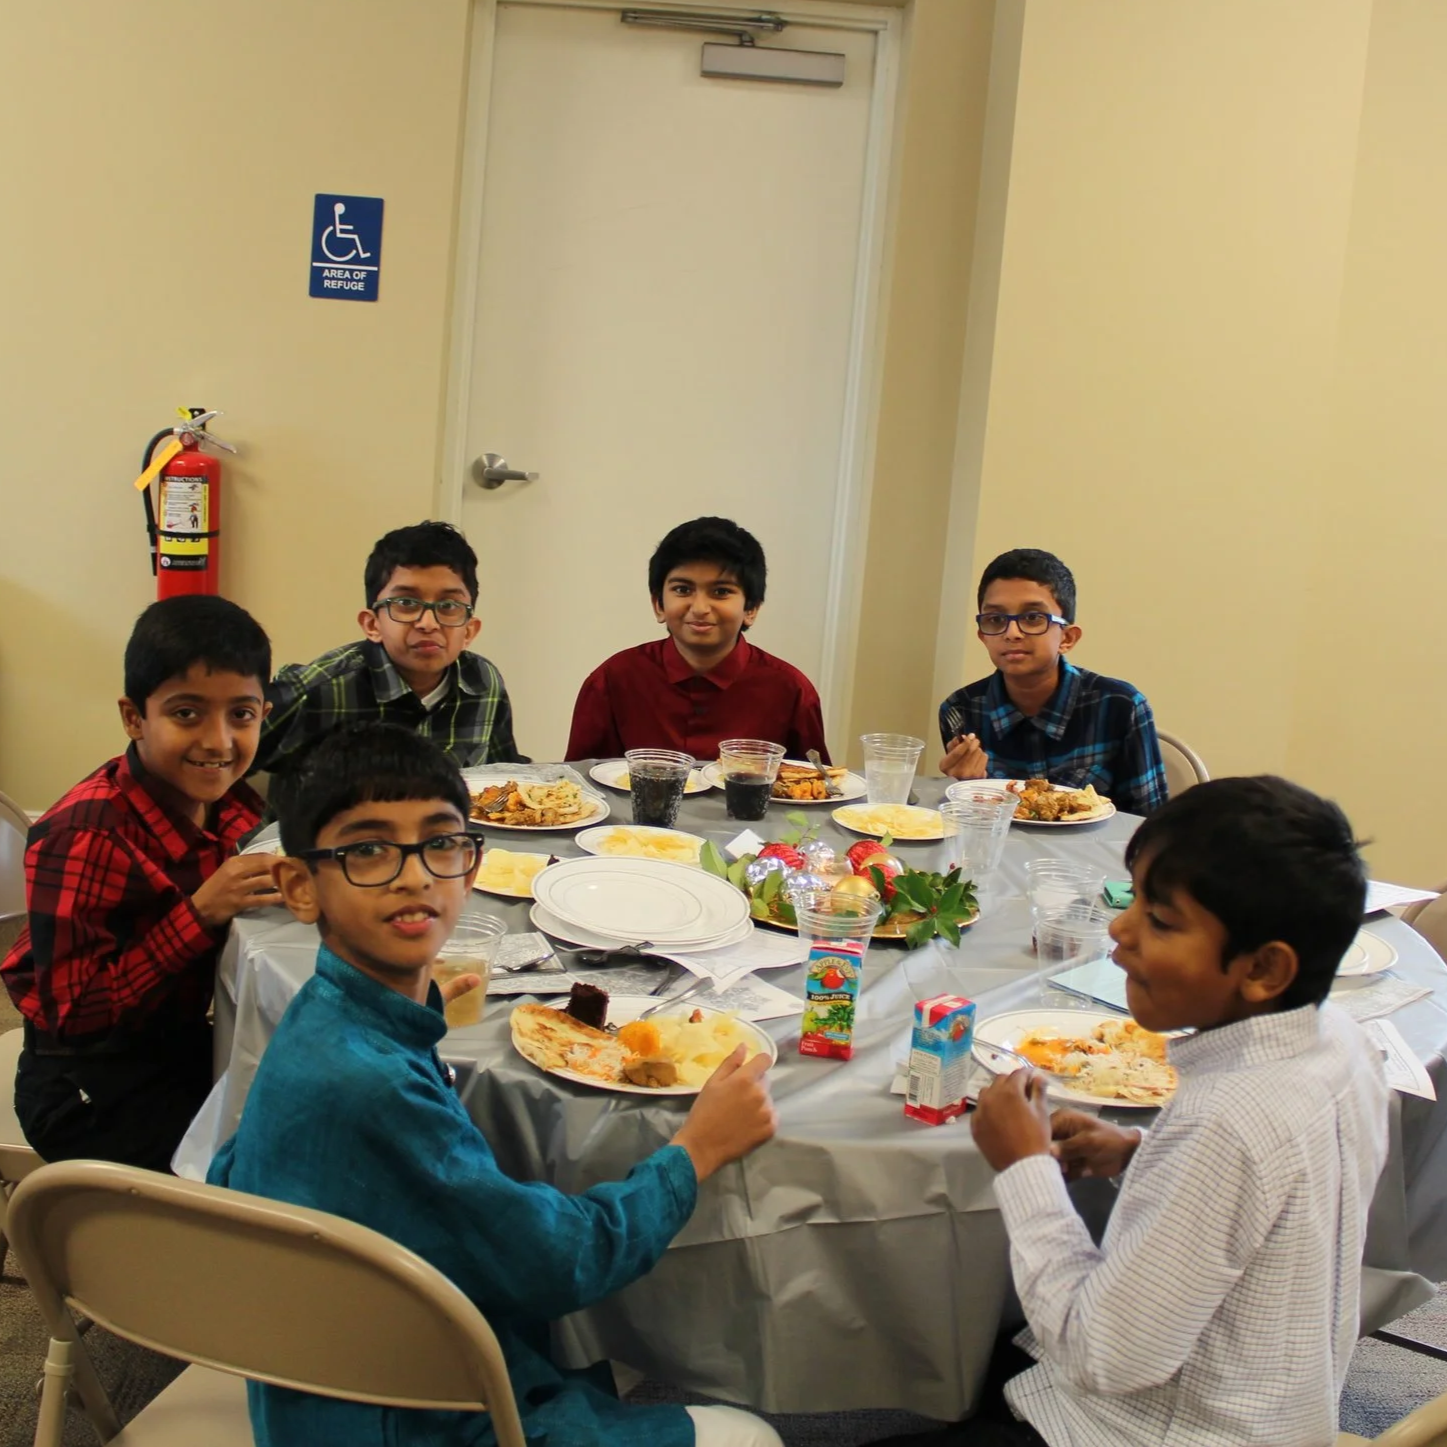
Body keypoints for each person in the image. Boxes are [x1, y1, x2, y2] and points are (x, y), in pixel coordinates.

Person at [210, 722, 784, 1447]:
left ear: (471, 863)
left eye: (440, 842)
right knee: (748, 1433)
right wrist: (695, 1150)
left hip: (324, 1369)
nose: (414, 874)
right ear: (299, 885)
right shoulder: (370, 1080)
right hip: (400, 1411)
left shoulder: (319, 1016)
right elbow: (556, 1261)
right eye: (367, 849)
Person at [879, 776, 1388, 1447]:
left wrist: (1023, 1165)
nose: (1118, 928)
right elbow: (1279, 1196)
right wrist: (1137, 1152)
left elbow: (1102, 1355)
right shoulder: (1343, 1041)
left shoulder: (1226, 1118)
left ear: (1264, 968)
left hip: (1150, 1428)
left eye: (1159, 920)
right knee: (987, 1347)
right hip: (1276, 1405)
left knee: (961, 1333)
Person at [1, 596, 279, 1171]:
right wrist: (199, 914)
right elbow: (72, 1015)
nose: (218, 741)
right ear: (134, 717)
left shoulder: (229, 806)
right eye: (186, 713)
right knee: (262, 1165)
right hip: (86, 1085)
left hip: (171, 1042)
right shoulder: (85, 836)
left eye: (241, 715)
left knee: (305, 1099)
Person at [252, 521, 521, 798]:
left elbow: (504, 777)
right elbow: (224, 760)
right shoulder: (319, 688)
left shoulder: (483, 683)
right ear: (372, 624)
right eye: (406, 604)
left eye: (449, 606)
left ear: (469, 630)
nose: (428, 623)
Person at [565, 516, 829, 762]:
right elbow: (580, 789)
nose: (700, 607)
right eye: (683, 589)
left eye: (721, 591)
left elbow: (815, 794)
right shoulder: (612, 680)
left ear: (751, 609)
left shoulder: (791, 691)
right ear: (659, 604)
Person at [937, 548, 1165, 816]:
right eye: (996, 619)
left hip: (1096, 855)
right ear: (983, 636)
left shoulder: (1120, 706)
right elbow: (966, 823)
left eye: (1033, 618)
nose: (1011, 633)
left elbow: (1152, 824)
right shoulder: (962, 709)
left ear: (1067, 638)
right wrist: (968, 789)